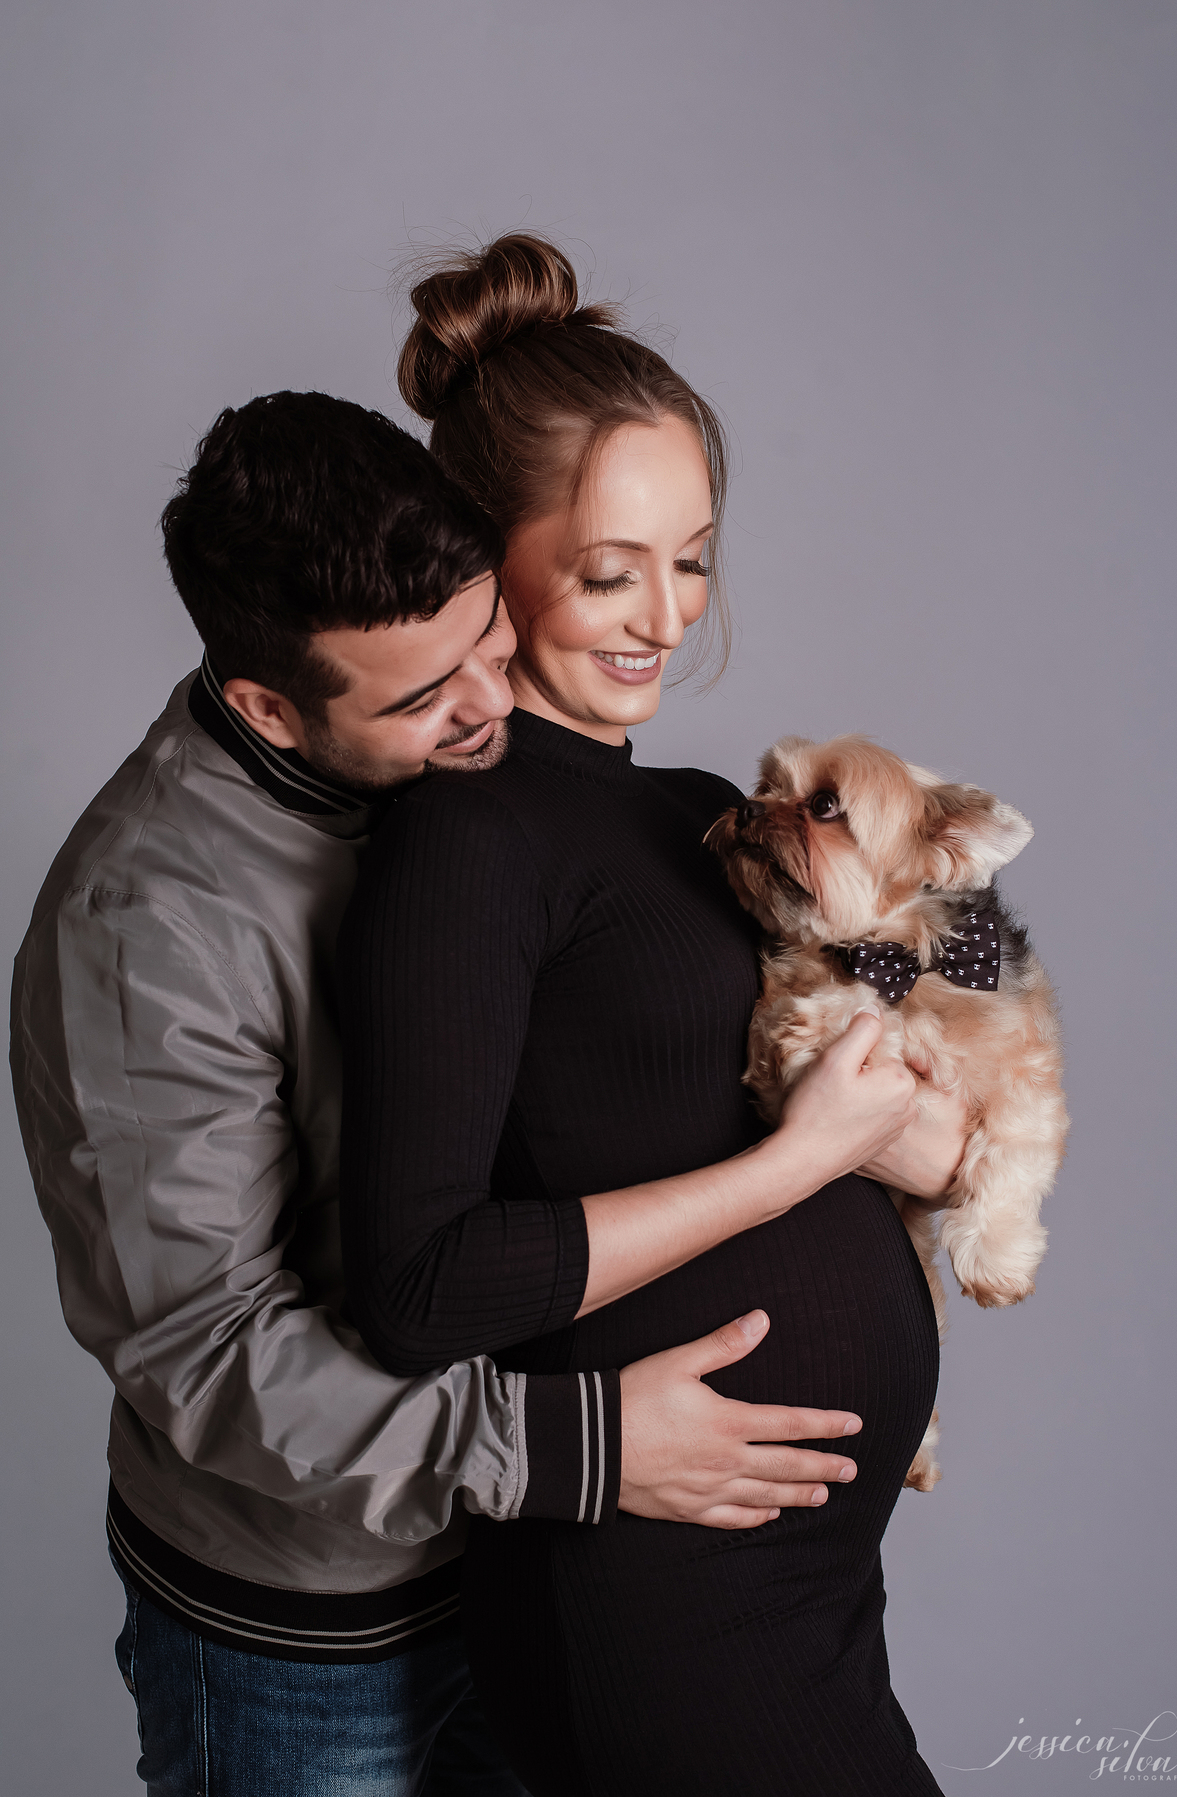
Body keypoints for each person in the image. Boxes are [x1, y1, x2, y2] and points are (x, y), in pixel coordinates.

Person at [10, 391, 909, 1797]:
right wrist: (577, 1447)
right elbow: (207, 1354)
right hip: (312, 1634)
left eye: (487, 640)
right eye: (424, 697)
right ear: (267, 709)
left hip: (524, 1561)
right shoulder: (146, 933)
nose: (490, 706)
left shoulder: (460, 786)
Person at [338, 238, 966, 1795]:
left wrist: (929, 1131)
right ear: (487, 560)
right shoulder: (469, 840)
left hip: (803, 1579)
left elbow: (928, 1024)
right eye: (610, 571)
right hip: (657, 1592)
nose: (668, 616)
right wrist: (802, 1161)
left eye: (693, 559)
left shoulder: (707, 813)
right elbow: (416, 1283)